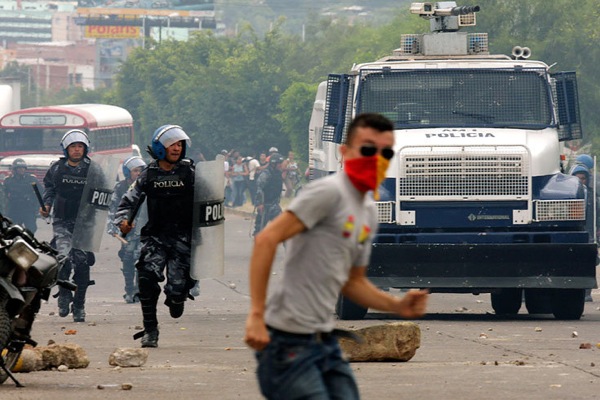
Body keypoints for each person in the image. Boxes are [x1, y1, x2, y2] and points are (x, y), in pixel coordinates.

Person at [244, 113, 429, 399]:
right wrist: (256, 314)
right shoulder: (327, 193)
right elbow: (267, 239)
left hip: (323, 340)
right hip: (286, 342)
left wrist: (398, 305)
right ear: (344, 153)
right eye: (367, 149)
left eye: (386, 151)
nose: (377, 158)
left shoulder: (367, 210)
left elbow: (353, 282)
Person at [116, 125, 197, 348]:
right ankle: (150, 331)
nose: (177, 148)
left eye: (180, 144)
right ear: (161, 147)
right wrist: (123, 223)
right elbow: (127, 203)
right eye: (172, 144)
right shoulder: (148, 175)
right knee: (145, 278)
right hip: (156, 237)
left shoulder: (191, 173)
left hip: (183, 239)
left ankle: (178, 296)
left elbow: (211, 201)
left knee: (176, 291)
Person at [40, 130, 96, 322]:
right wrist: (46, 205)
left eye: (80, 146)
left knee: (81, 264)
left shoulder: (93, 169)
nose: (77, 150)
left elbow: (103, 194)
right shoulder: (56, 169)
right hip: (62, 221)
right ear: (66, 149)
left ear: (85, 148)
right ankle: (64, 295)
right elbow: (49, 189)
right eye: (73, 146)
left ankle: (79, 305)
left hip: (84, 225)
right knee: (63, 259)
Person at [107, 155, 147, 303]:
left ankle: (138, 290)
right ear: (127, 172)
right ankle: (129, 289)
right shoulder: (120, 187)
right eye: (135, 170)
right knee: (128, 258)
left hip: (144, 229)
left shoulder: (147, 185)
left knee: (140, 258)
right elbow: (113, 208)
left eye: (140, 170)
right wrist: (113, 225)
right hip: (127, 230)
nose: (138, 173)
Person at [571, 163, 596, 302]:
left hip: (589, 233)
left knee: (588, 261)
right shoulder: (568, 196)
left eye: (583, 178)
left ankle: (586, 293)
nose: (581, 181)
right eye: (578, 178)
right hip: (576, 232)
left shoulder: (593, 196)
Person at [3, 158, 40, 233]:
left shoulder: (31, 179)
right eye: (19, 168)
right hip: (14, 208)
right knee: (13, 230)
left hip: (28, 208)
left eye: (23, 168)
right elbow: (3, 195)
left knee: (31, 229)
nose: (21, 170)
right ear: (14, 169)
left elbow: (39, 193)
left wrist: (37, 207)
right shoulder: (8, 180)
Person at [253, 153, 284, 236]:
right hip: (264, 205)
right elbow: (259, 188)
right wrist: (259, 203)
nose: (280, 165)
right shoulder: (266, 174)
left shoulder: (278, 173)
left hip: (274, 205)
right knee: (260, 229)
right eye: (279, 163)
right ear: (273, 164)